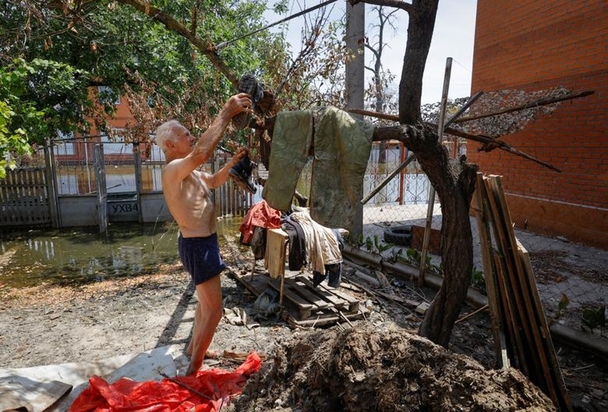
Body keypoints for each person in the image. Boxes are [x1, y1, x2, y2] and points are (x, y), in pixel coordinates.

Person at [155, 93, 253, 375]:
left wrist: (232, 163)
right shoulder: (174, 168)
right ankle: (194, 369)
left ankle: (191, 350)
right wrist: (226, 112)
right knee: (215, 311)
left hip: (201, 243)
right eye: (185, 134)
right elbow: (202, 153)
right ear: (171, 144)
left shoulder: (190, 171)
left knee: (202, 305)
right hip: (198, 246)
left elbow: (213, 180)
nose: (191, 136)